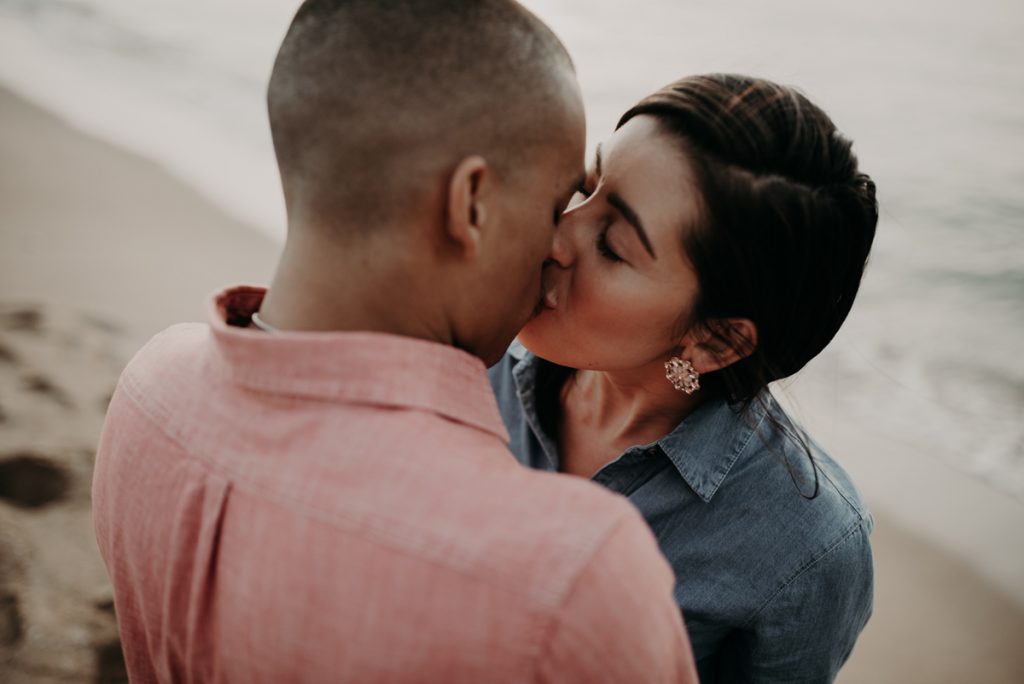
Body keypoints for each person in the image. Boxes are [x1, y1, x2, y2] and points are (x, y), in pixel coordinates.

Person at [91, 1, 697, 682]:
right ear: (472, 205)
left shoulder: (148, 388)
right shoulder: (573, 577)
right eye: (557, 206)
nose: (561, 247)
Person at [490, 73, 878, 683]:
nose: (557, 234)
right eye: (585, 186)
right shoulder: (469, 358)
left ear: (716, 341)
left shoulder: (805, 547)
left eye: (611, 245)